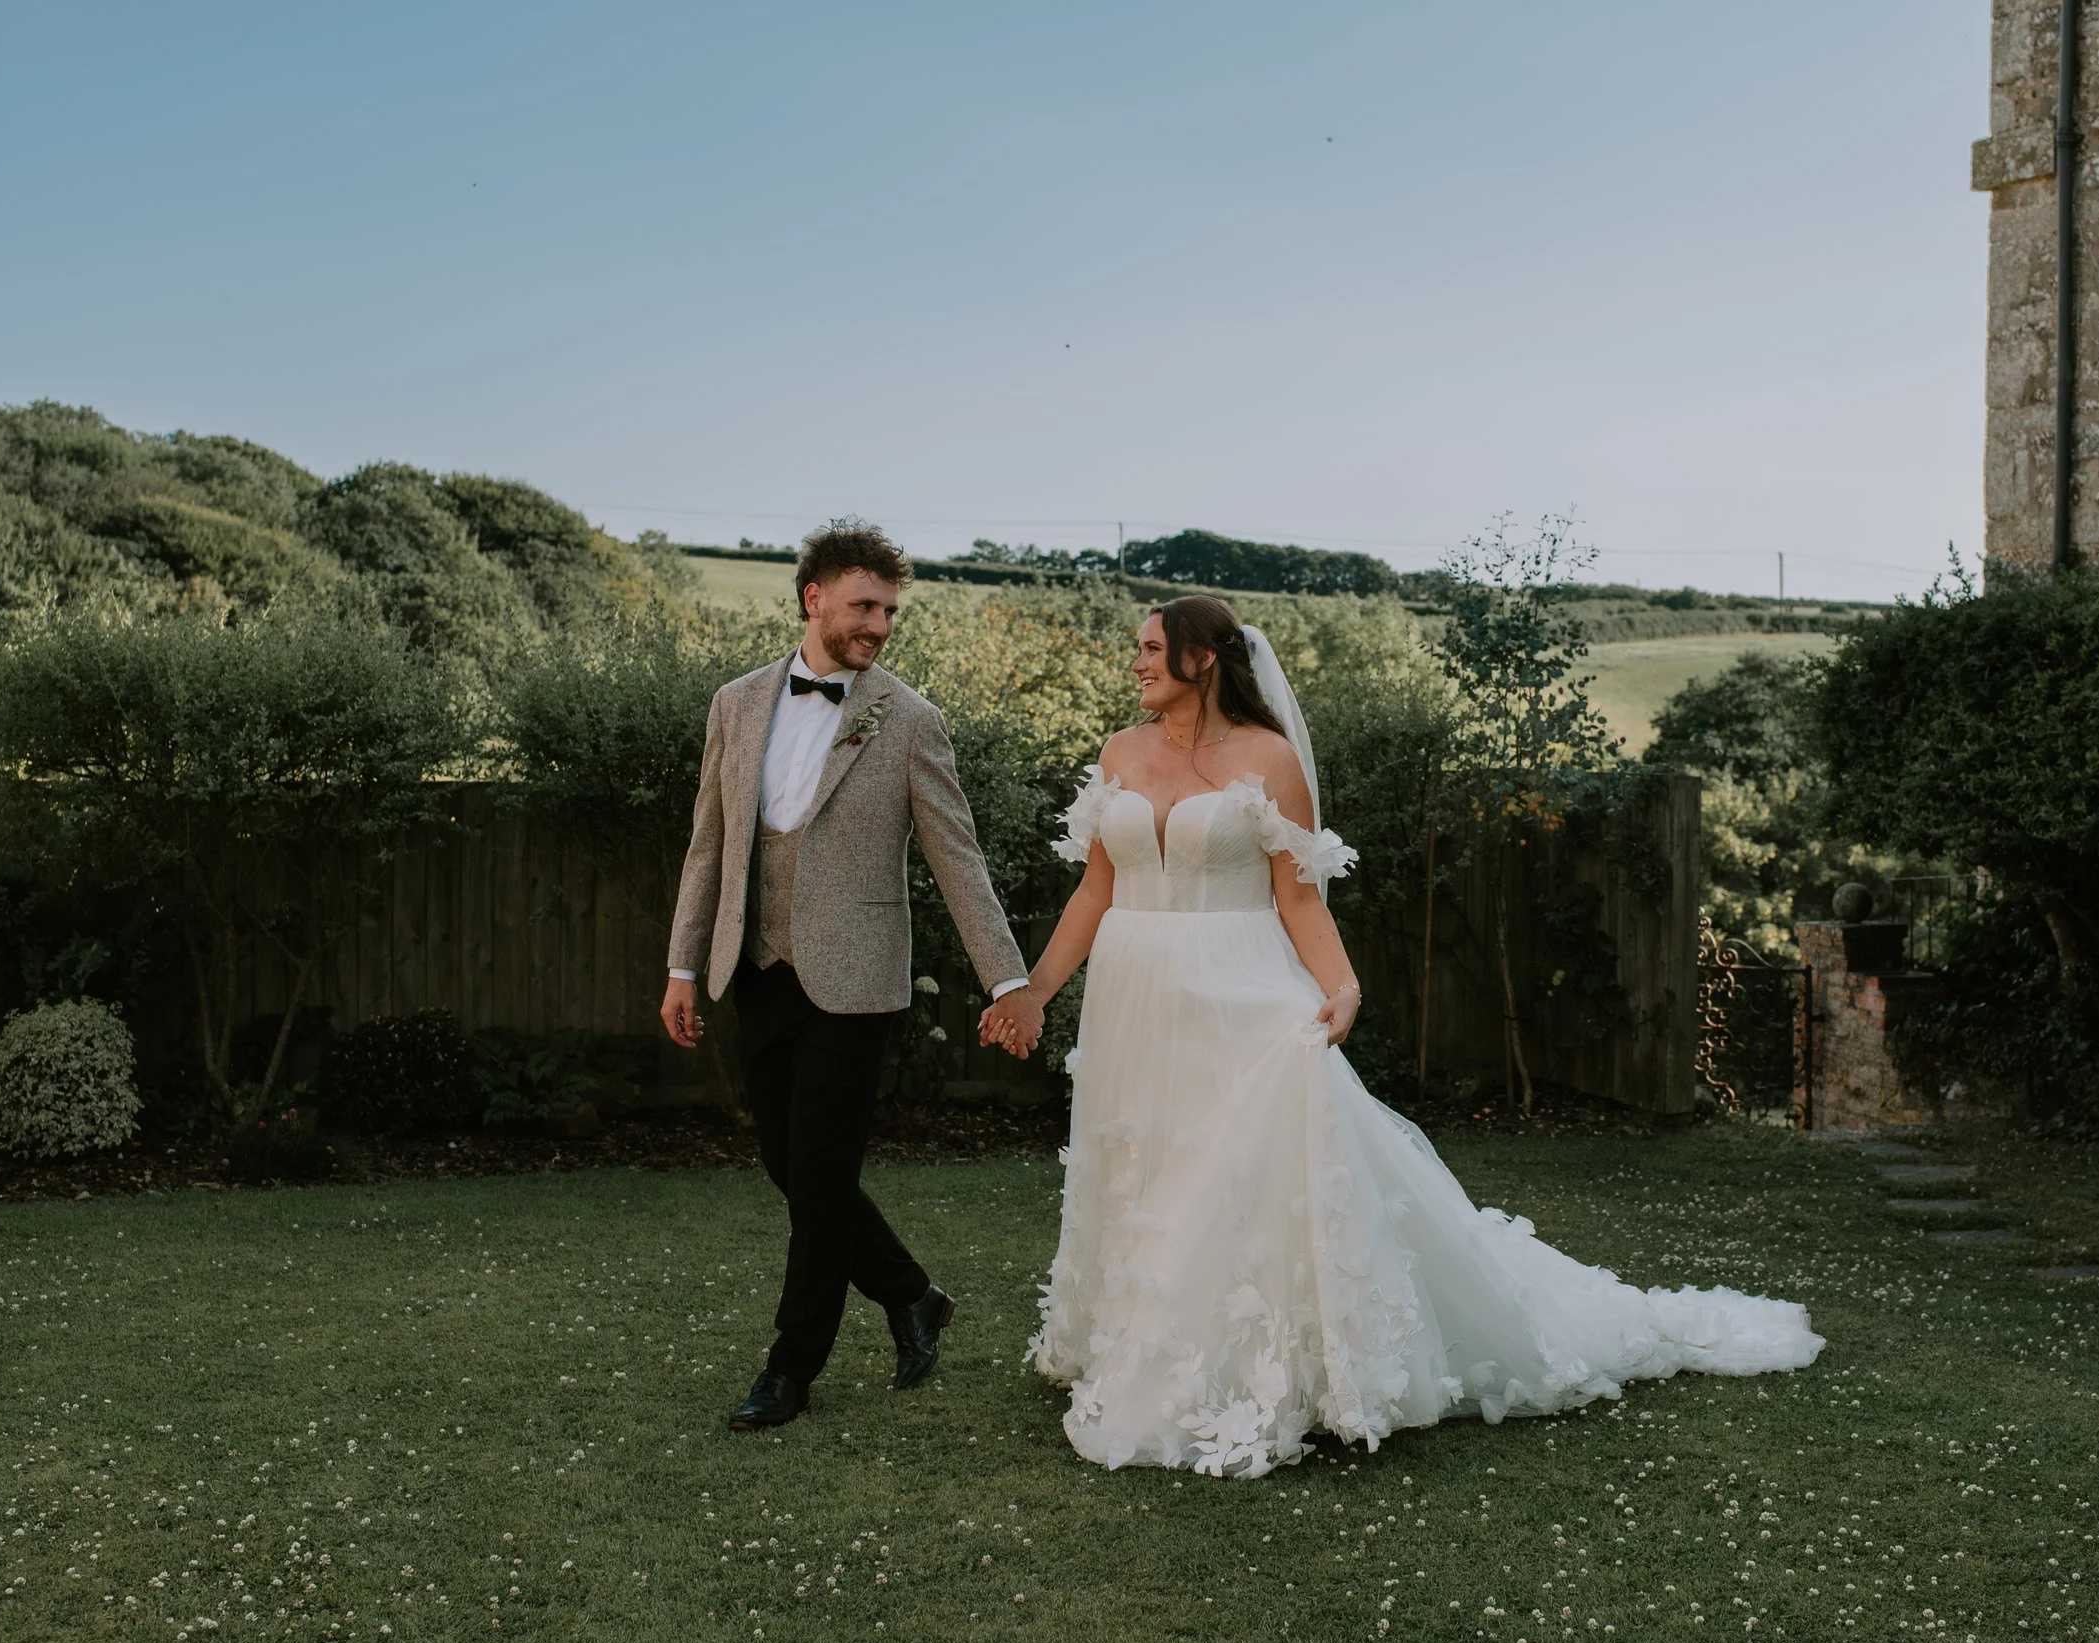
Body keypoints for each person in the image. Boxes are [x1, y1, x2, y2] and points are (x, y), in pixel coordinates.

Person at [990, 596, 1824, 1477]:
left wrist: (1343, 986)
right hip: (1132, 996)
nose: (1138, 663)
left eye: (1154, 649)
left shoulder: (1269, 759)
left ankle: (1240, 1364)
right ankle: (1124, 1334)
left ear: (1204, 659)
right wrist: (1036, 989)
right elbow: (1093, 889)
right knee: (1141, 1156)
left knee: (1225, 1170)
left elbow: (1298, 895)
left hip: (1239, 989)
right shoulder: (1120, 754)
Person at [663, 520, 1044, 1431]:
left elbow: (959, 859)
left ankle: (790, 1370)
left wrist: (1008, 981)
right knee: (787, 1164)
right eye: (865, 605)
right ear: (815, 599)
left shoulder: (909, 719)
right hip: (757, 969)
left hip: (858, 979)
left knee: (822, 1174)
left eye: (890, 609)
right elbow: (708, 846)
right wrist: (683, 964)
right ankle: (912, 1293)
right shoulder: (736, 703)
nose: (879, 622)